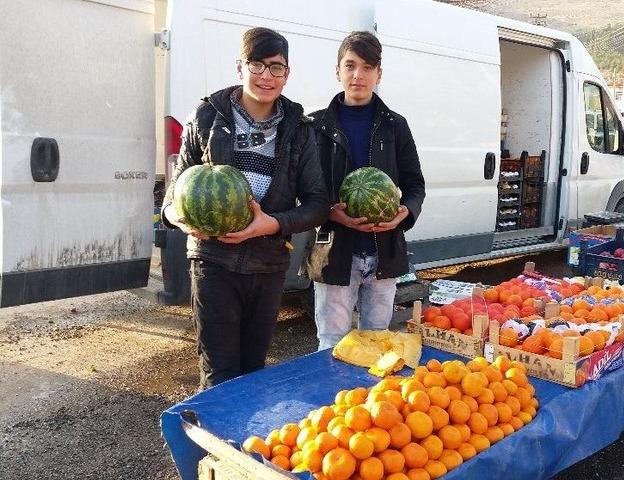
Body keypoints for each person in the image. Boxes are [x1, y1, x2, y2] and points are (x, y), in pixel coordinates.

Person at [161, 27, 329, 388]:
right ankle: (213, 444)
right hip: (213, 263)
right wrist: (182, 218)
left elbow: (317, 204)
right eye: (257, 64)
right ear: (240, 67)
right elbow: (172, 199)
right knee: (219, 373)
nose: (266, 76)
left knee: (253, 372)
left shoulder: (298, 129)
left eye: (276, 67)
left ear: (287, 73)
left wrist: (270, 224)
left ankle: (243, 444)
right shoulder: (206, 118)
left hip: (267, 266)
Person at [308, 31, 426, 350]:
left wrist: (405, 214)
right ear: (338, 71)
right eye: (350, 65)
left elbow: (415, 184)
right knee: (332, 343)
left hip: (383, 251)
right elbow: (301, 191)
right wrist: (329, 213)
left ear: (379, 74)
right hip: (334, 252)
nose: (358, 75)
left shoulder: (395, 126)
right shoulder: (315, 126)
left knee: (377, 341)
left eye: (367, 67)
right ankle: (333, 400)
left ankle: (371, 401)